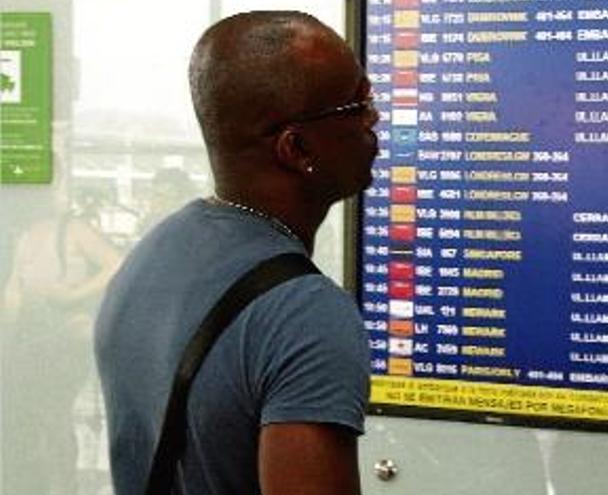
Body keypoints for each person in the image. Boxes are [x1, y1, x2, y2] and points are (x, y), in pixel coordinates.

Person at [94, 11, 378, 495]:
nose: (374, 118)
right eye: (357, 105)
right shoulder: (306, 316)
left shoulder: (154, 251)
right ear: (297, 148)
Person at [2, 183, 121, 495]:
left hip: (64, 339)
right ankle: (40, 484)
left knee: (53, 414)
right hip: (32, 340)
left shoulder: (75, 229)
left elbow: (117, 263)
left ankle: (63, 485)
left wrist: (73, 296)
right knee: (33, 416)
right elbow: (13, 293)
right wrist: (6, 341)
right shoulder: (27, 236)